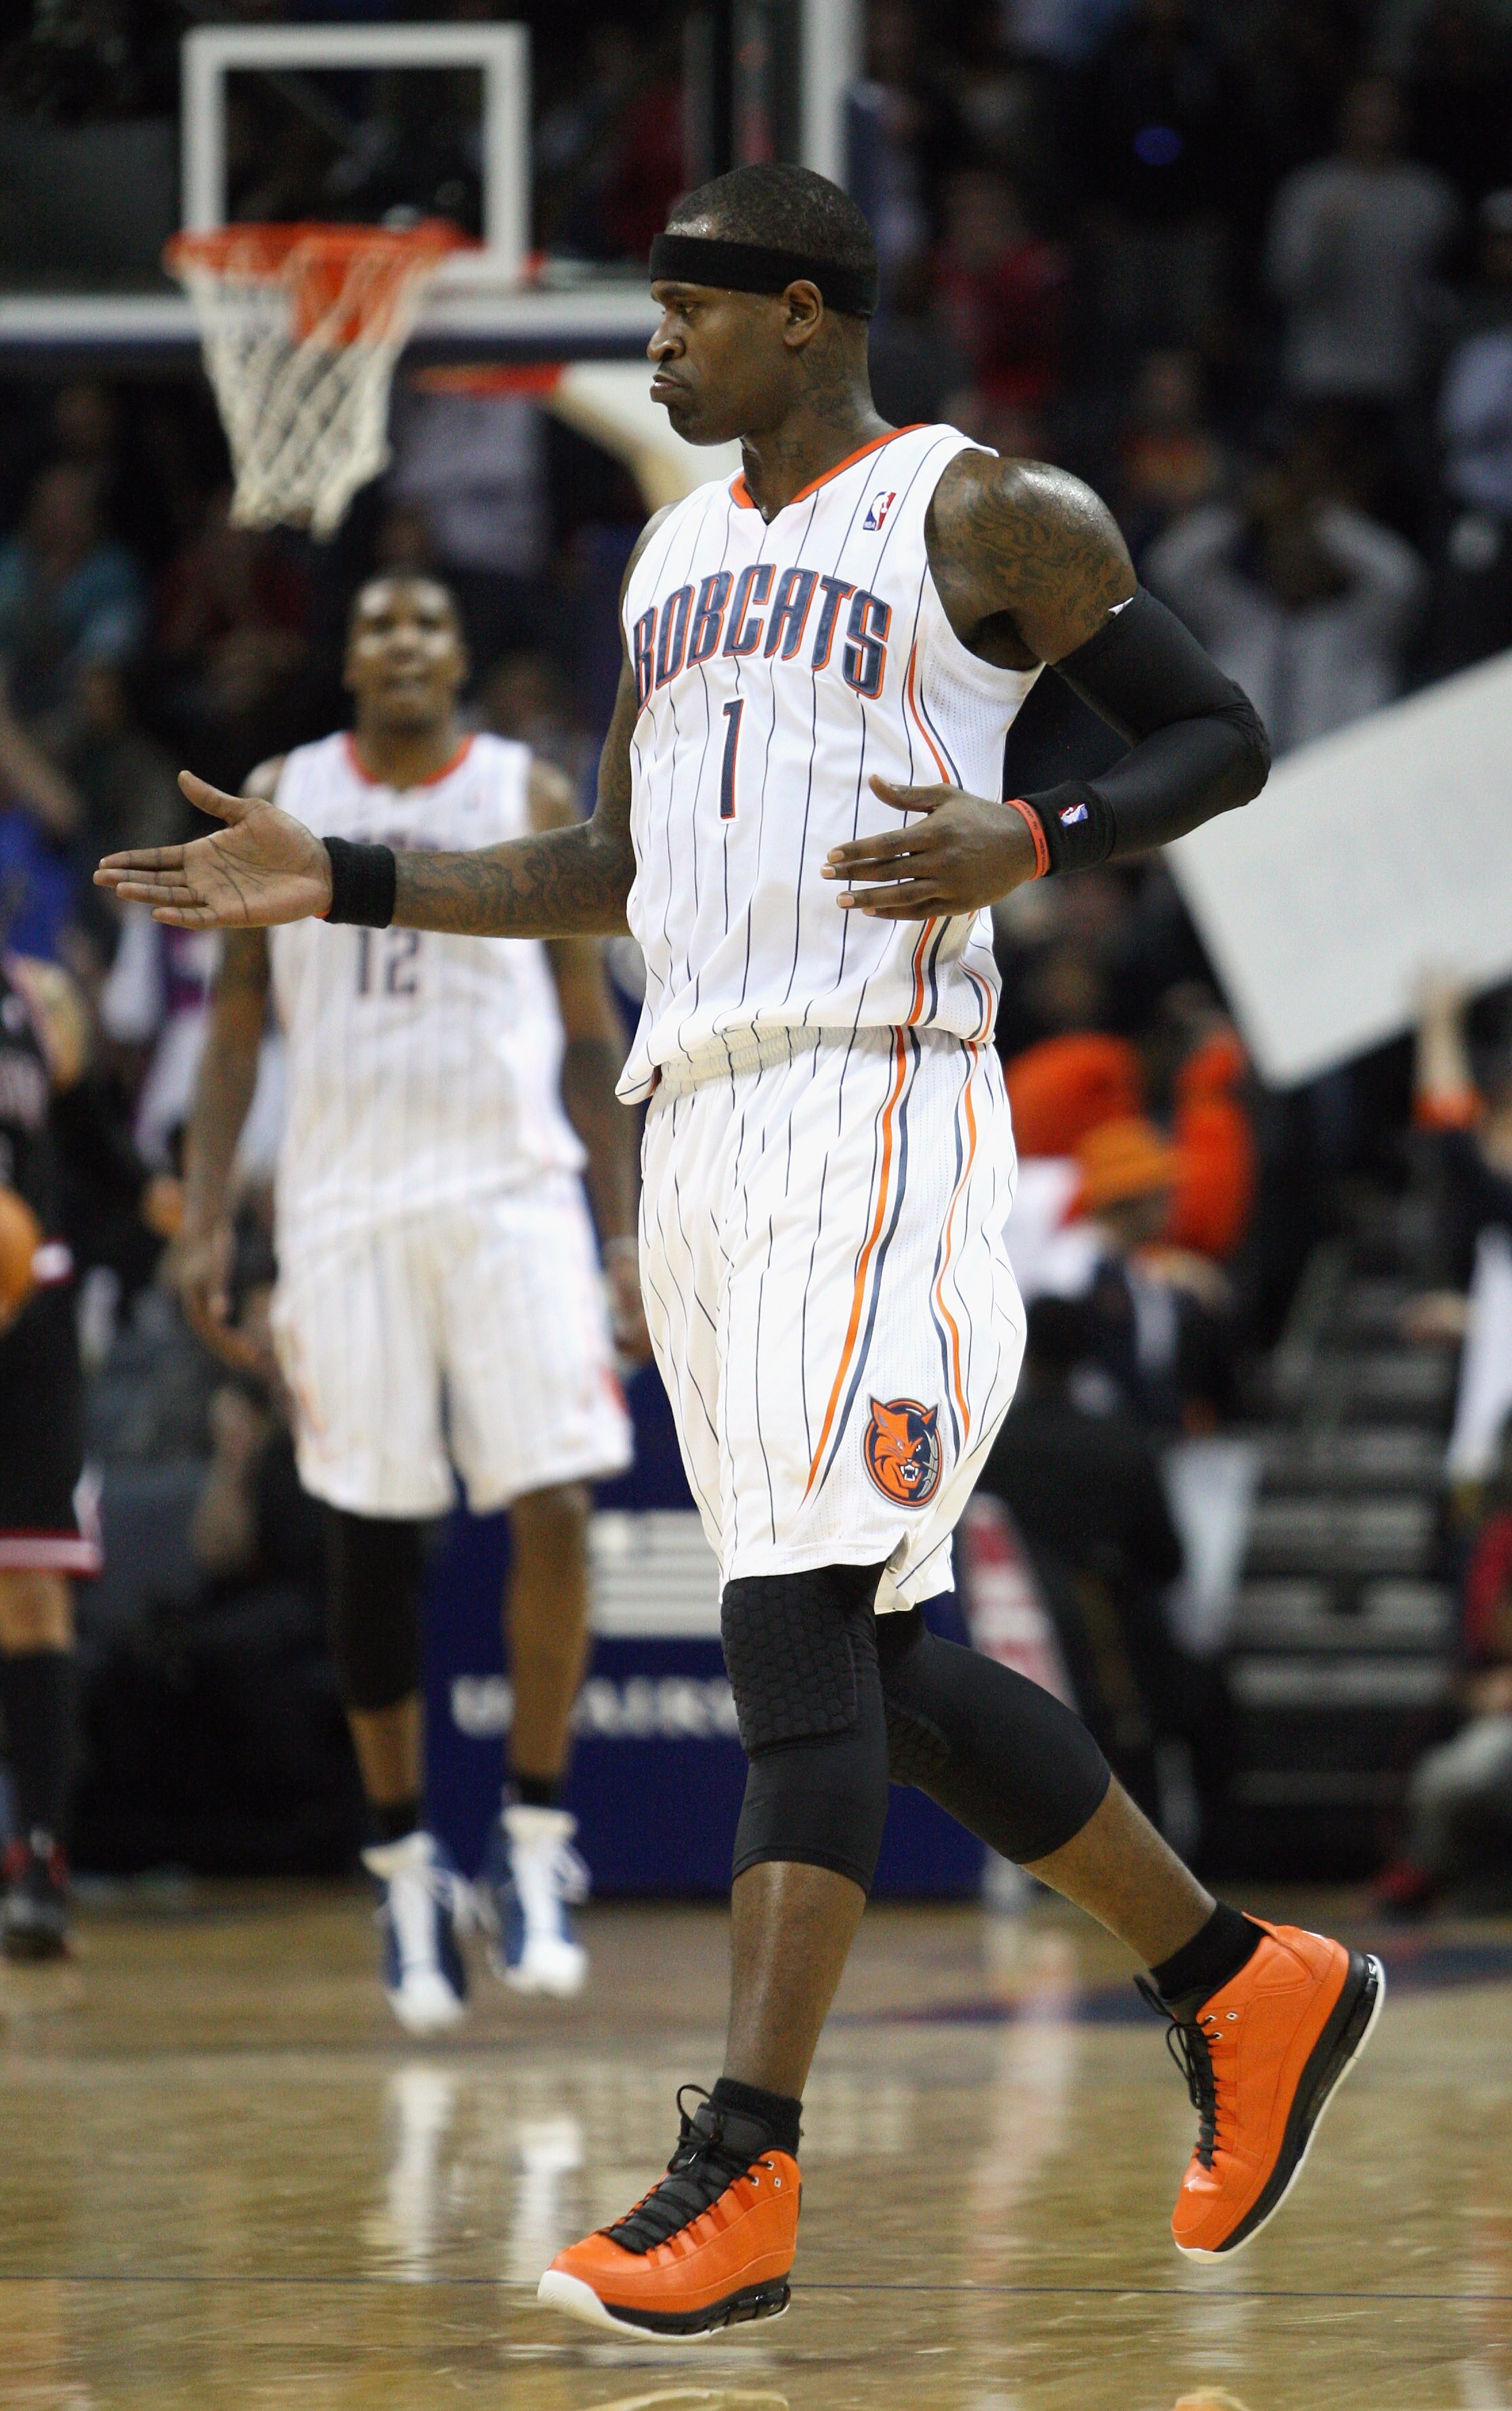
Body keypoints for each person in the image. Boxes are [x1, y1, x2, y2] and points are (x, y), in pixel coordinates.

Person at [98, 161, 1382, 2342]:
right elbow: (612, 860)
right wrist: (358, 883)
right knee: (870, 1671)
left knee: (790, 1628)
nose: (660, 354)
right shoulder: (676, 558)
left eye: (688, 318)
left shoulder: (988, 510)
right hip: (693, 1116)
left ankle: (741, 2174)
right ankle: (1240, 1985)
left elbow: (1222, 737)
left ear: (802, 314)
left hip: (872, 1090)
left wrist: (1038, 834)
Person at [171, 574, 644, 2034]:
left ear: (458, 658)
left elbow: (586, 1030)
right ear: (350, 658)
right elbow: (238, 1025)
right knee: (372, 1539)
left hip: (512, 1193)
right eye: (375, 622)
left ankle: (538, 1838)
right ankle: (402, 1861)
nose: (402, 643)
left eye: (428, 623)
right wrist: (202, 1217)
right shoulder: (283, 789)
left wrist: (620, 1233)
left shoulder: (526, 781)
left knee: (556, 1499)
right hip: (343, 1205)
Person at [0, 952, 102, 1958]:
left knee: (31, 1591)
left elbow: (95, 1151)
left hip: (27, 1326)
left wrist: (162, 1202)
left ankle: (39, 1857)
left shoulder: (37, 996)